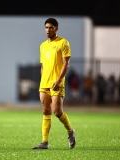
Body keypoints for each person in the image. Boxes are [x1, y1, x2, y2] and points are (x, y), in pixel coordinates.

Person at [32, 18, 76, 149]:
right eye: (46, 27)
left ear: (56, 28)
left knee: (57, 112)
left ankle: (70, 131)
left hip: (57, 83)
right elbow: (43, 66)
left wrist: (58, 80)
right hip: (44, 84)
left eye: (50, 27)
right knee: (46, 111)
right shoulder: (42, 46)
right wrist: (42, 80)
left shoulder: (63, 43)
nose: (48, 30)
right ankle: (44, 142)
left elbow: (66, 64)